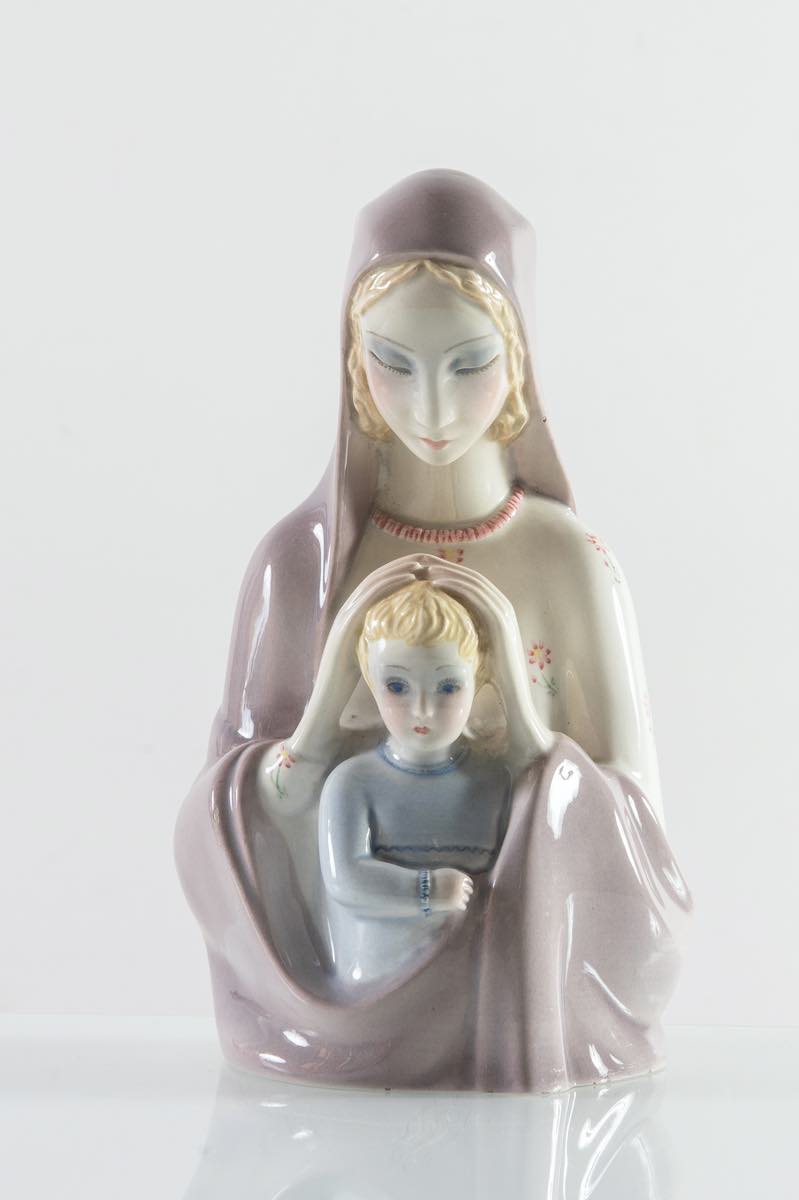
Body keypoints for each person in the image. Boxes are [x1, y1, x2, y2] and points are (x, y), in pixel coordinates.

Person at [175, 168, 691, 1092]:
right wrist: (330, 709)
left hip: (522, 996)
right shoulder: (300, 565)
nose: (435, 410)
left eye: (469, 364)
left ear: (520, 357)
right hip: (355, 978)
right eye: (395, 363)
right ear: (351, 362)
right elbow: (237, 823)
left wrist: (525, 739)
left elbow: (636, 826)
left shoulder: (569, 563)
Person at [318, 580, 511, 991]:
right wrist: (427, 890)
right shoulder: (352, 784)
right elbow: (345, 879)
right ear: (371, 683)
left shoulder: (494, 784)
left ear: (477, 680)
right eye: (398, 687)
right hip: (383, 978)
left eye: (447, 687)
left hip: (474, 978)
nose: (422, 709)